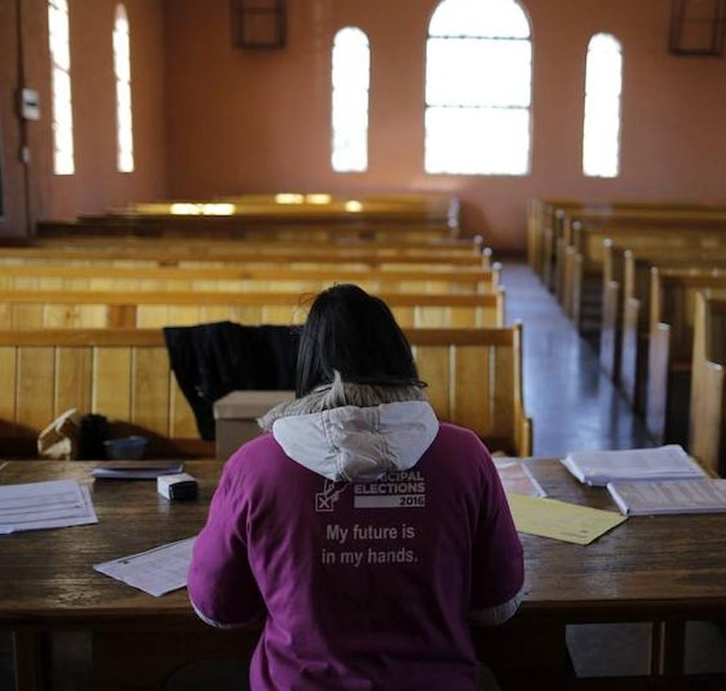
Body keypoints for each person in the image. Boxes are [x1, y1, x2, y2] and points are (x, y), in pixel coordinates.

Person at [188, 284, 525, 690]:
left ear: (308, 366)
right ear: (400, 358)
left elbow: (217, 607)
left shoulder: (256, 465)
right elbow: (496, 606)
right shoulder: (464, 455)